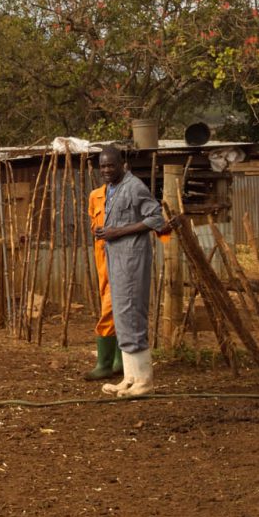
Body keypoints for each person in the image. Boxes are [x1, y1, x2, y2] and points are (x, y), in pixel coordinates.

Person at [84, 144, 168, 396]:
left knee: (131, 314)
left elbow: (156, 218)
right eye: (103, 166)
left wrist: (117, 232)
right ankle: (130, 378)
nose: (107, 170)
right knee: (121, 316)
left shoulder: (134, 187)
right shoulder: (110, 189)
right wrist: (105, 231)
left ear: (122, 164)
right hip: (115, 258)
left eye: (111, 165)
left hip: (132, 259)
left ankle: (144, 382)